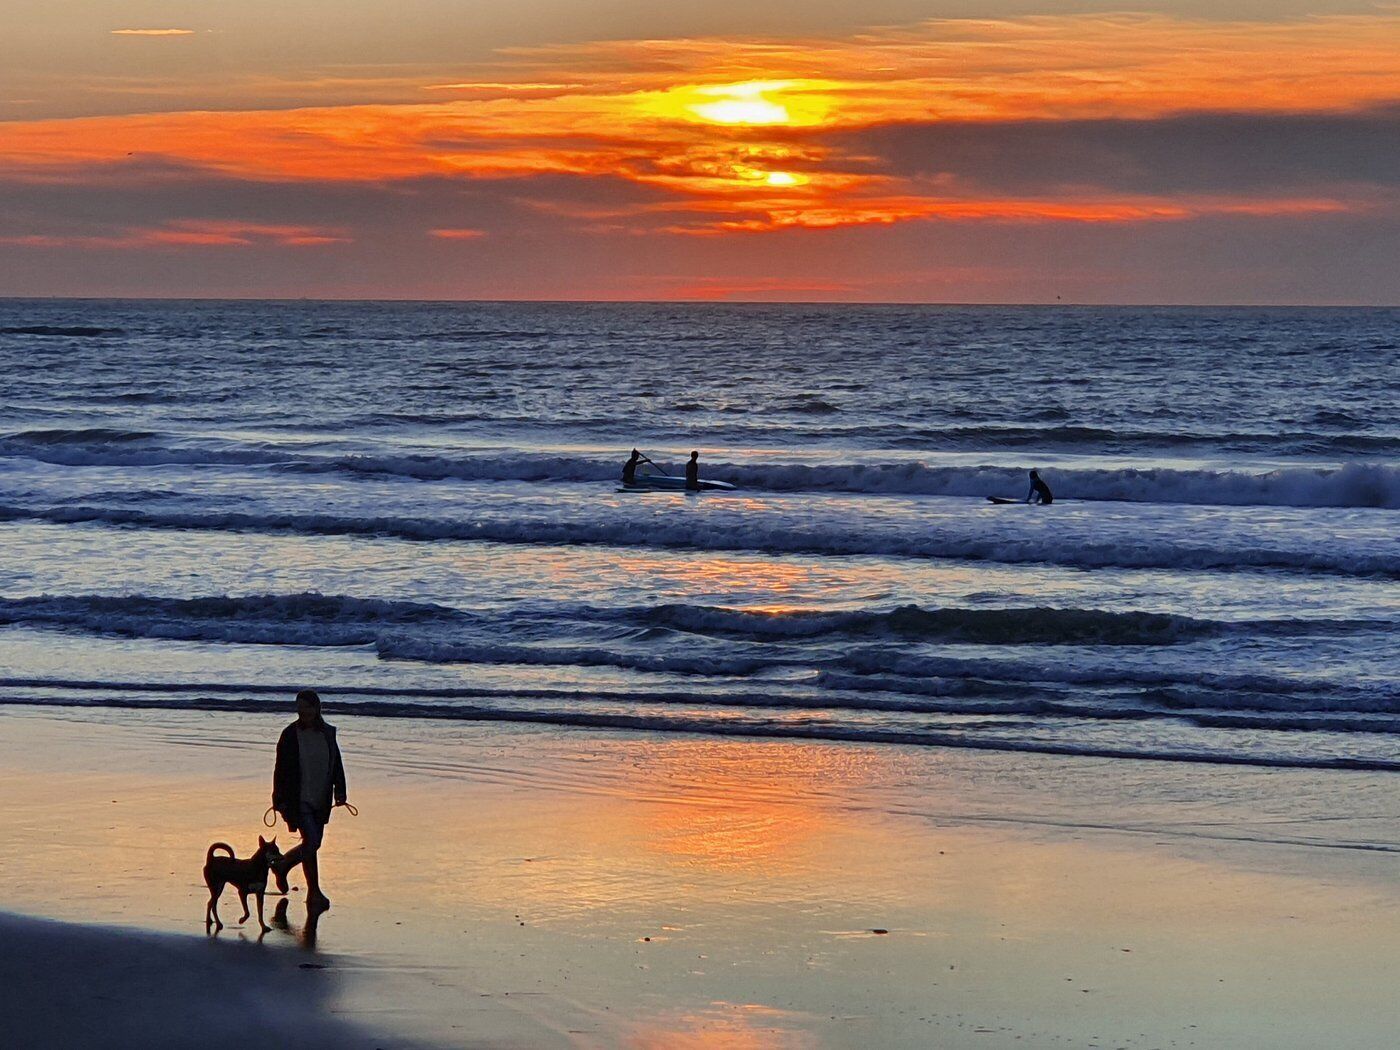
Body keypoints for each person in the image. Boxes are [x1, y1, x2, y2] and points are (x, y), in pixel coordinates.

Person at [271, 689, 348, 911]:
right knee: (311, 842)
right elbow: (280, 770)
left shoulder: (328, 734)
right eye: (299, 707)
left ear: (316, 708)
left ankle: (286, 866)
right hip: (298, 799)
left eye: (306, 707)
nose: (302, 711)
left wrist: (340, 791)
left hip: (320, 797)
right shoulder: (290, 735)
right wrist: (278, 799)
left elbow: (336, 764)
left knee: (312, 844)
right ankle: (310, 888)